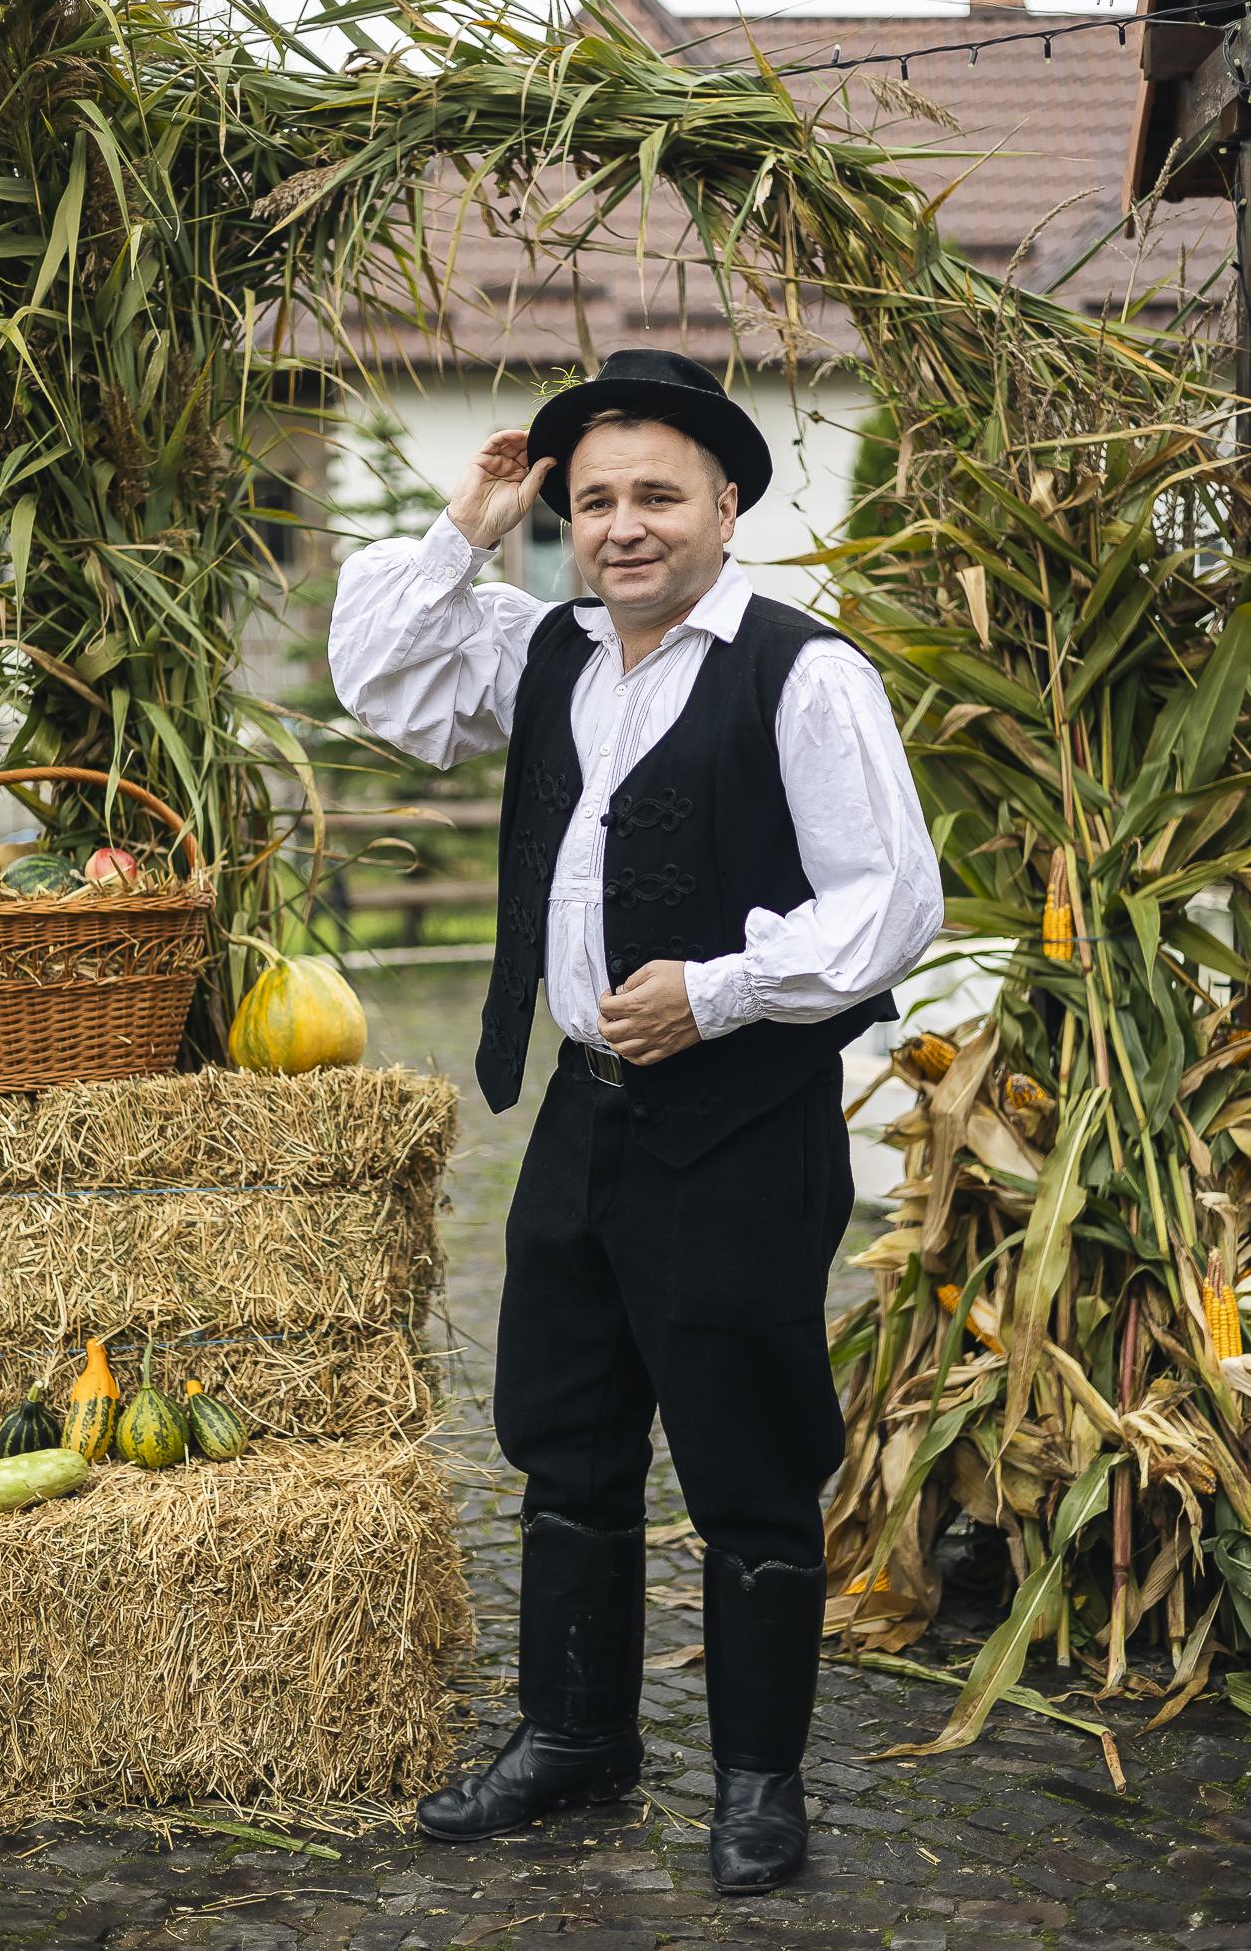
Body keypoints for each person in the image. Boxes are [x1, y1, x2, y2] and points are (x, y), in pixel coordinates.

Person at [329, 349, 943, 1894]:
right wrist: (470, 522)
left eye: (656, 496)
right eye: (593, 500)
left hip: (742, 1125)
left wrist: (720, 993)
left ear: (725, 506)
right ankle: (574, 1737)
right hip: (581, 1113)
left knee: (747, 1450)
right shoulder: (544, 651)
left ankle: (755, 1783)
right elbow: (381, 681)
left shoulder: (802, 673)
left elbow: (889, 903)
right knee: (565, 1431)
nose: (621, 527)